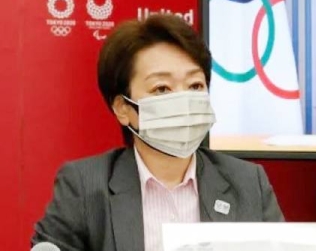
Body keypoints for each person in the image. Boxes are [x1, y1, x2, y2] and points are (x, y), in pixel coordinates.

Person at [32, 14, 284, 251]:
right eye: (162, 89)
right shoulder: (84, 187)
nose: (183, 99)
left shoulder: (248, 183)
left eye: (195, 85)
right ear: (123, 108)